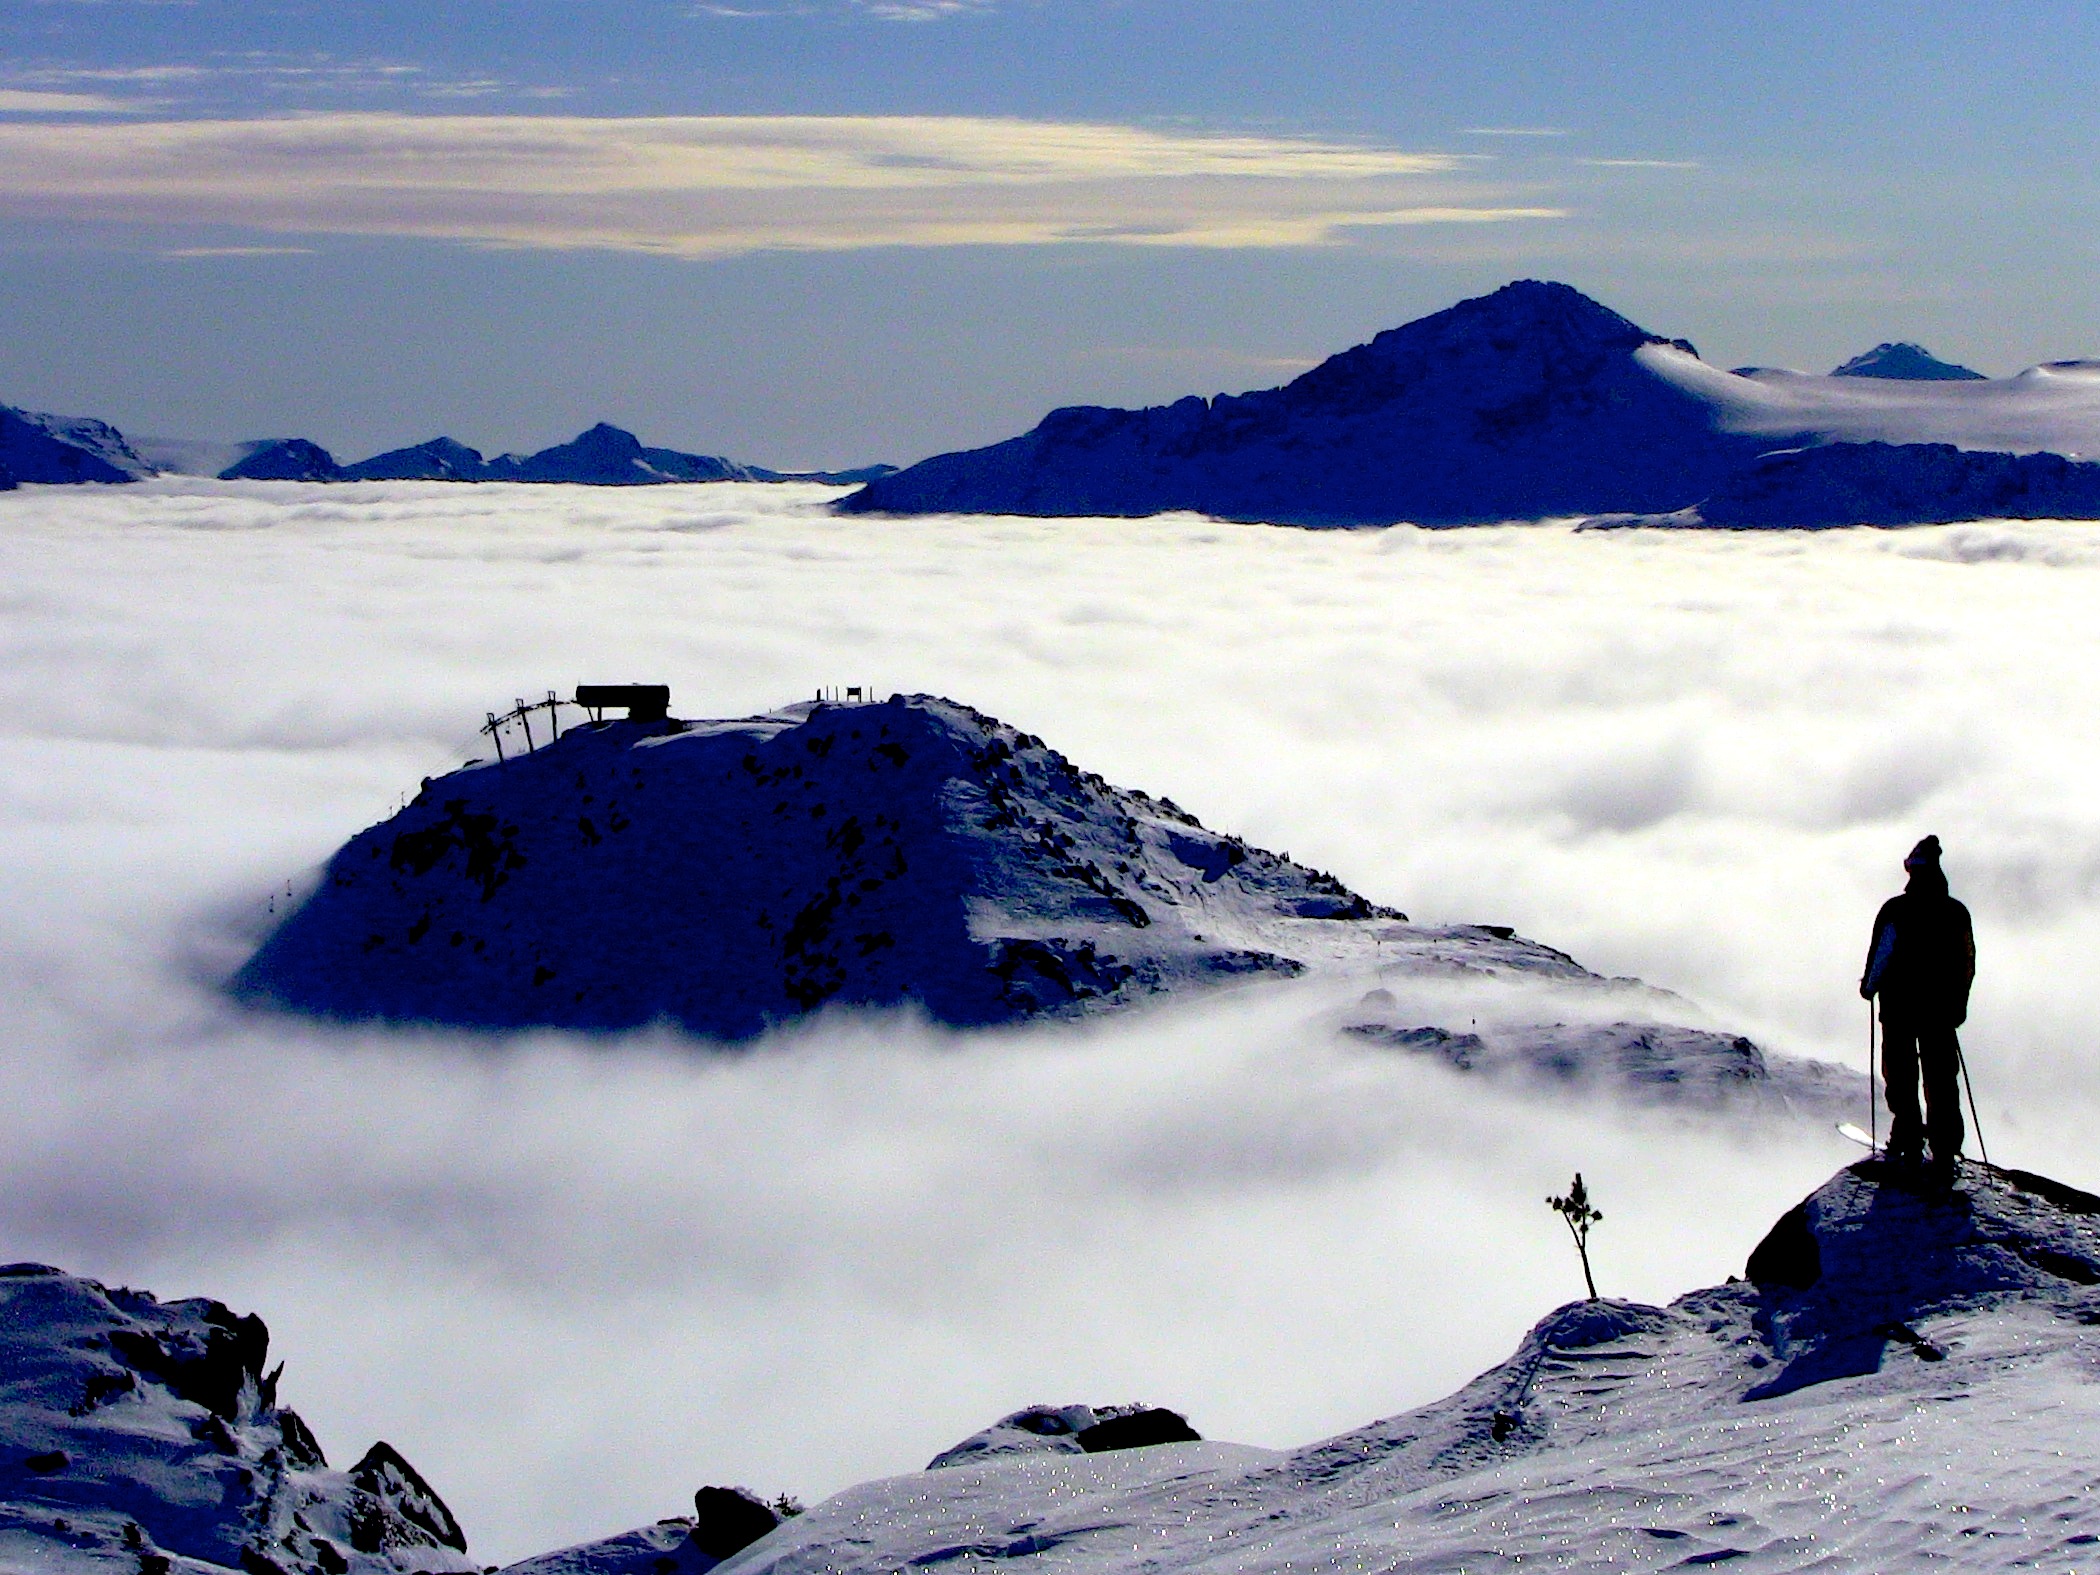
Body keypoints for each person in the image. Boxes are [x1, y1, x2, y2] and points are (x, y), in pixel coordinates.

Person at [1860, 835, 1976, 1183]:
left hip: (1899, 1007)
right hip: (1940, 1010)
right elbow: (1966, 963)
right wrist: (1958, 1005)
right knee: (1941, 1077)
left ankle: (1908, 1139)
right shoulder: (1956, 912)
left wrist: (1869, 987)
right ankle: (1944, 1148)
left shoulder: (1896, 909)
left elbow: (1882, 953)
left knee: (1901, 1073)